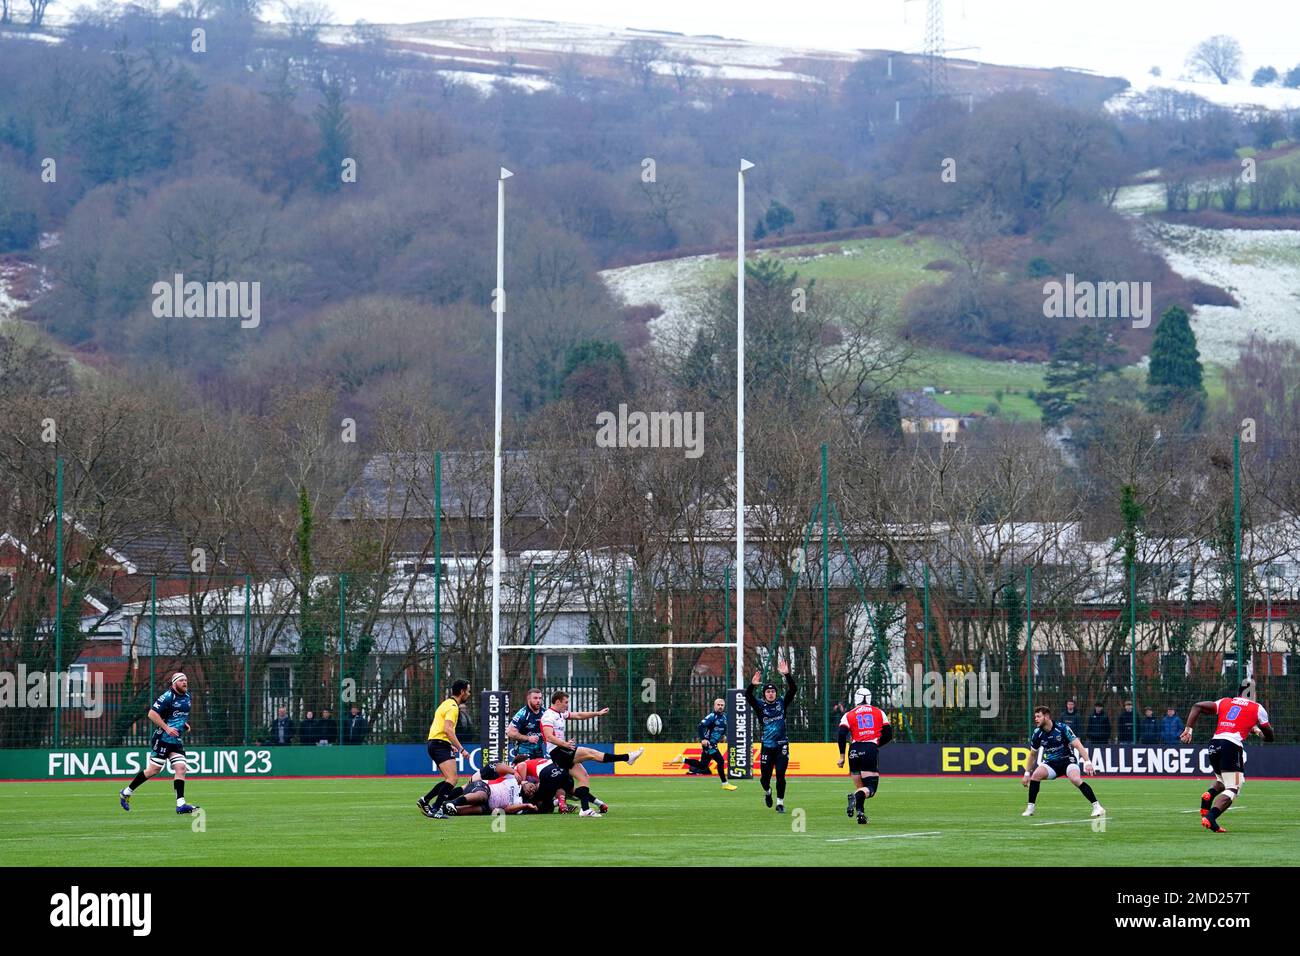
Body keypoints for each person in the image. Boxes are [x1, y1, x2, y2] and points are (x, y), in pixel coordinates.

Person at [1179, 678, 1274, 833]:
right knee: (1234, 787)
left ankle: (1208, 797)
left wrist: (1189, 729)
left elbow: (1197, 706)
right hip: (1231, 745)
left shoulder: (1225, 702)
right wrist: (1261, 733)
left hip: (1214, 744)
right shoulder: (1257, 708)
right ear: (1252, 693)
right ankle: (1211, 817)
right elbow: (1269, 736)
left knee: (1222, 780)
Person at [540, 691, 643, 815]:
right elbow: (549, 737)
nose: (567, 705)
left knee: (583, 777)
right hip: (558, 752)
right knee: (592, 753)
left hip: (563, 750)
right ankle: (627, 757)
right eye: (566, 702)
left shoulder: (560, 714)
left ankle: (585, 809)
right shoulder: (548, 716)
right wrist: (565, 744)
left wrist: (597, 713)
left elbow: (578, 715)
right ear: (557, 702)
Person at [118, 672, 200, 815]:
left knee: (181, 768)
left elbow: (176, 715)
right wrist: (167, 728)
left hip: (175, 740)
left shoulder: (187, 697)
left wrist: (183, 724)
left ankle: (180, 805)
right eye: (181, 681)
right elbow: (152, 714)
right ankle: (126, 792)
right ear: (174, 683)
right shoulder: (167, 697)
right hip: (162, 738)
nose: (185, 683)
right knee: (153, 770)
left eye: (186, 680)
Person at [1022, 705, 1104, 818]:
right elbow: (1032, 754)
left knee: (1075, 779)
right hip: (1051, 764)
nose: (1036, 719)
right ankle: (1030, 808)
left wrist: (1088, 762)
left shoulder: (1062, 728)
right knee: (1035, 775)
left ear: (1046, 716)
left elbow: (1078, 745)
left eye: (1038, 716)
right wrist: (1027, 773)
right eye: (1035, 716)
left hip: (1067, 761)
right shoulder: (1037, 733)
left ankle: (1097, 807)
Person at [836, 687, 892, 825]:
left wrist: (842, 756)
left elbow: (841, 734)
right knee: (870, 789)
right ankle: (854, 799)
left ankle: (860, 813)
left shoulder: (849, 714)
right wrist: (876, 744)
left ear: (856, 698)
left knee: (860, 788)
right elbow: (889, 734)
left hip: (854, 750)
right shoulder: (879, 712)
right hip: (869, 748)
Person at [746, 659, 796, 813]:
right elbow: (748, 696)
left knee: (780, 775)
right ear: (764, 694)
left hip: (782, 745)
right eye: (768, 691)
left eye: (773, 691)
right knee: (764, 778)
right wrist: (753, 685)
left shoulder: (782, 702)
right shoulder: (760, 705)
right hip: (767, 747)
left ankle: (780, 803)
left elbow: (793, 689)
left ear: (776, 693)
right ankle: (767, 792)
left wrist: (787, 675)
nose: (770, 693)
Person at [418, 679, 472, 819]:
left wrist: (449, 745)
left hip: (435, 743)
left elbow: (441, 729)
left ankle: (425, 801)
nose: (469, 694)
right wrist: (461, 749)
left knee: (449, 779)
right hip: (439, 744)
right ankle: (435, 809)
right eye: (468, 691)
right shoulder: (453, 707)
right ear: (462, 692)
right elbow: (448, 730)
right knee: (453, 779)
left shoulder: (446, 703)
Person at [672, 698, 738, 790]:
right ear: (714, 706)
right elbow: (700, 726)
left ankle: (682, 759)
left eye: (722, 705)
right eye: (718, 705)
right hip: (709, 744)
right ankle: (725, 783)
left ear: (724, 706)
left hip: (714, 743)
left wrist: (723, 736)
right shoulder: (712, 716)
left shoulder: (724, 717)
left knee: (703, 766)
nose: (720, 707)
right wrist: (703, 739)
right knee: (720, 761)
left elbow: (722, 728)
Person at [507, 688, 546, 763]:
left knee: (540, 772)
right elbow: (509, 732)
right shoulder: (522, 714)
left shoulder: (545, 713)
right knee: (524, 773)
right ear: (528, 699)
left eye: (540, 698)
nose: (538, 701)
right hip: (523, 751)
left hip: (538, 750)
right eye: (535, 698)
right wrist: (528, 738)